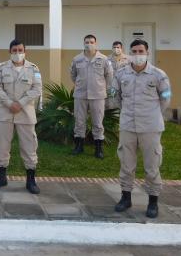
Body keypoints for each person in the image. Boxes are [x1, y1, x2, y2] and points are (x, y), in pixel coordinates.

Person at [111, 39, 171, 218]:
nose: (137, 55)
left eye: (140, 51)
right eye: (134, 52)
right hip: (128, 125)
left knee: (152, 166)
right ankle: (126, 197)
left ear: (147, 53)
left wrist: (153, 114)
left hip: (150, 127)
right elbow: (115, 96)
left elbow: (166, 98)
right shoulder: (121, 74)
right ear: (130, 54)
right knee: (126, 165)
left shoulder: (158, 75)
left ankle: (153, 202)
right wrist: (127, 112)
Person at [0, 39, 43, 194]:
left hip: (25, 113)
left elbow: (37, 89)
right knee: (2, 146)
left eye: (20, 50)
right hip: (5, 113)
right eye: (14, 51)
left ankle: (31, 180)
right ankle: (1, 177)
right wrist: (8, 103)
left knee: (29, 146)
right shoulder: (1, 68)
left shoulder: (33, 69)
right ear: (10, 52)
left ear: (25, 51)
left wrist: (20, 103)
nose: (17, 53)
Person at [70, 34, 113, 159]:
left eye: (91, 42)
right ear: (83, 43)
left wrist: (102, 88)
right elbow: (73, 75)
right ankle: (79, 146)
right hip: (80, 95)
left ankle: (98, 148)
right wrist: (81, 84)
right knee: (79, 121)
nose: (89, 44)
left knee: (98, 122)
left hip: (98, 95)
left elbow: (109, 76)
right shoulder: (77, 59)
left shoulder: (104, 59)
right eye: (87, 42)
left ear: (96, 43)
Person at [106, 41, 130, 110]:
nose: (116, 49)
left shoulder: (128, 59)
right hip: (111, 86)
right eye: (114, 47)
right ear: (112, 48)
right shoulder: (107, 59)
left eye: (118, 47)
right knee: (111, 104)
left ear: (121, 48)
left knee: (124, 105)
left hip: (124, 86)